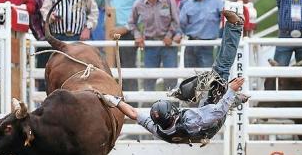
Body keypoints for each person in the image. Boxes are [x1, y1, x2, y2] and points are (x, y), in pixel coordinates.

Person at [104, 10, 248, 144]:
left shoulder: (158, 129)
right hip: (208, 125)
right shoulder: (191, 120)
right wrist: (231, 90)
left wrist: (113, 100)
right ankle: (235, 26)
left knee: (213, 84)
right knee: (220, 71)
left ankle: (234, 100)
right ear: (172, 114)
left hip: (197, 131)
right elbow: (218, 112)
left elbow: (134, 113)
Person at [95, 0, 146, 91]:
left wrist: (125, 28)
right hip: (110, 32)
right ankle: (112, 103)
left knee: (127, 68)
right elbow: (97, 3)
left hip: (127, 32)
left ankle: (132, 104)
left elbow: (140, 13)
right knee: (109, 69)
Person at [128, 0, 181, 91]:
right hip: (150, 45)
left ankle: (172, 108)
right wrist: (137, 35)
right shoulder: (138, 4)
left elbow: (175, 21)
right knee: (149, 79)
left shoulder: (168, 0)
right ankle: (149, 108)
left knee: (171, 78)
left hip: (168, 45)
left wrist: (169, 35)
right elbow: (131, 23)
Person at [180, 0, 223, 68]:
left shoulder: (217, 3)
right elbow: (181, 24)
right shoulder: (187, 5)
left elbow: (225, 19)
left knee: (205, 76)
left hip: (207, 44)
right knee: (190, 77)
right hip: (191, 43)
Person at [28, 0, 55, 90]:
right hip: (43, 38)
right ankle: (41, 98)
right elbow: (33, 19)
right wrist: (41, 37)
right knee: (42, 71)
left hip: (59, 35)